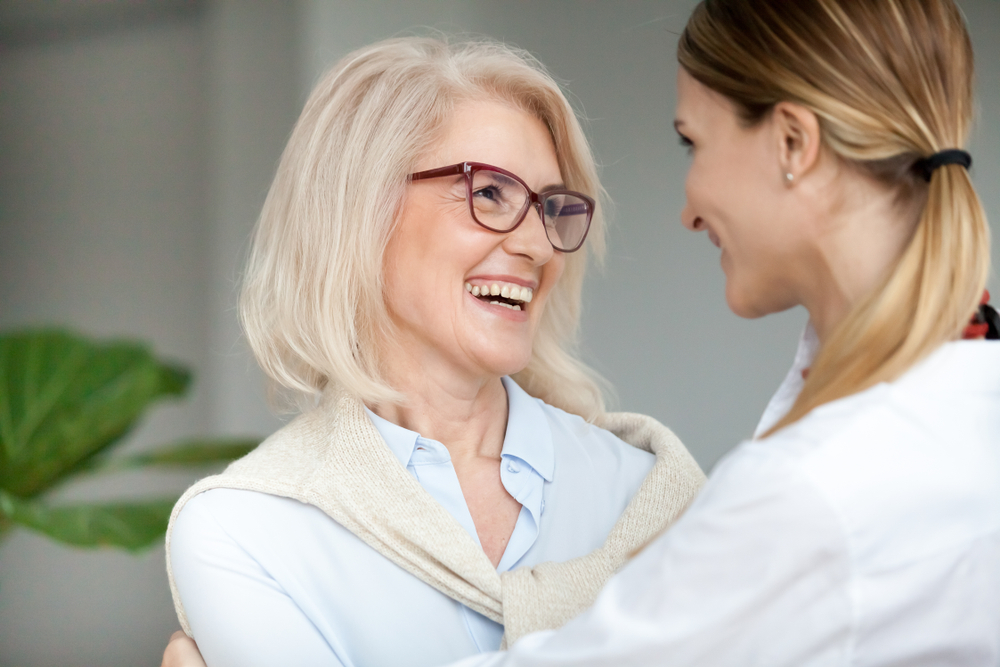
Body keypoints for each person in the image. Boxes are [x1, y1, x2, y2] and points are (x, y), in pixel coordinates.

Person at [435, 0, 1000, 664]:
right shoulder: (958, 397)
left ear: (793, 142)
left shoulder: (812, 492)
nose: (688, 210)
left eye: (693, 142)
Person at [162, 37, 705, 667]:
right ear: (360, 210)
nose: (538, 246)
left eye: (551, 208)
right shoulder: (245, 529)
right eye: (491, 193)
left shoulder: (645, 490)